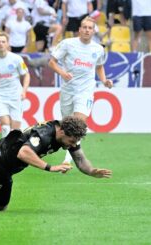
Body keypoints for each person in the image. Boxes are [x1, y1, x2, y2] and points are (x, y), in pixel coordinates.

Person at [0, 116, 112, 211]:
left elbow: (80, 159)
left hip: (6, 166)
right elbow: (24, 152)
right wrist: (50, 167)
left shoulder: (67, 135)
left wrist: (92, 171)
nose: (72, 145)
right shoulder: (43, 134)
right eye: (71, 141)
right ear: (62, 131)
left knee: (0, 205)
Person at [48, 16, 113, 164]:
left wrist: (104, 80)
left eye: (90, 28)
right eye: (84, 27)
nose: (87, 30)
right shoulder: (67, 44)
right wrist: (63, 73)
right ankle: (62, 148)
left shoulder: (98, 49)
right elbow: (52, 62)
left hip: (86, 91)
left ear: (93, 31)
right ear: (79, 29)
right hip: (68, 90)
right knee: (66, 125)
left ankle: (68, 159)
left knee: (79, 122)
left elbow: (99, 66)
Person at [0, 32, 30, 138]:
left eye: (3, 42)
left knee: (15, 130)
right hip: (1, 95)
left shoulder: (17, 59)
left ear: (8, 44)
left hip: (16, 95)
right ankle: (5, 152)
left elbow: (26, 75)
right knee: (5, 126)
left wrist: (24, 91)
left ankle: (14, 152)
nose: (1, 44)